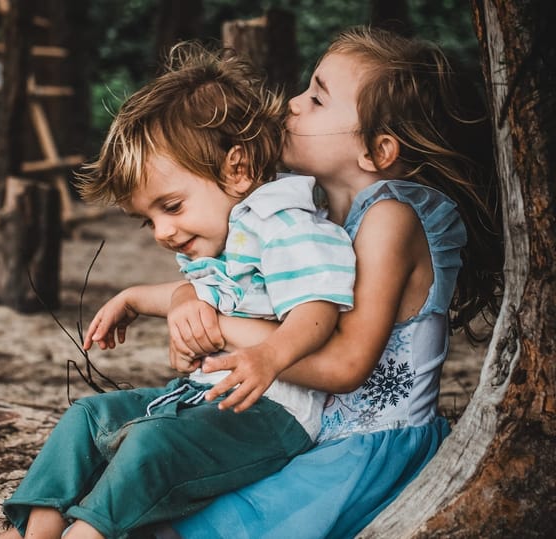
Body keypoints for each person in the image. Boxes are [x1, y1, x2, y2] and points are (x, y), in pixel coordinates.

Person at [0, 42, 356, 539]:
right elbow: (200, 295)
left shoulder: (285, 224)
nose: (163, 232)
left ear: (237, 169)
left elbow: (318, 311)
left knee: (150, 445)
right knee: (86, 417)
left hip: (272, 414)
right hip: (203, 398)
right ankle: (33, 533)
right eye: (148, 220)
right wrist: (133, 298)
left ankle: (87, 534)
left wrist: (269, 356)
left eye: (171, 206)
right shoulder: (226, 233)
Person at [160, 26, 503, 538]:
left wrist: (219, 328)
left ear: (377, 151)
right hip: (312, 435)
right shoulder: (313, 213)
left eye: (317, 98)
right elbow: (237, 283)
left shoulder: (390, 218)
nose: (292, 104)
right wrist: (186, 297)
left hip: (369, 454)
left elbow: (346, 367)